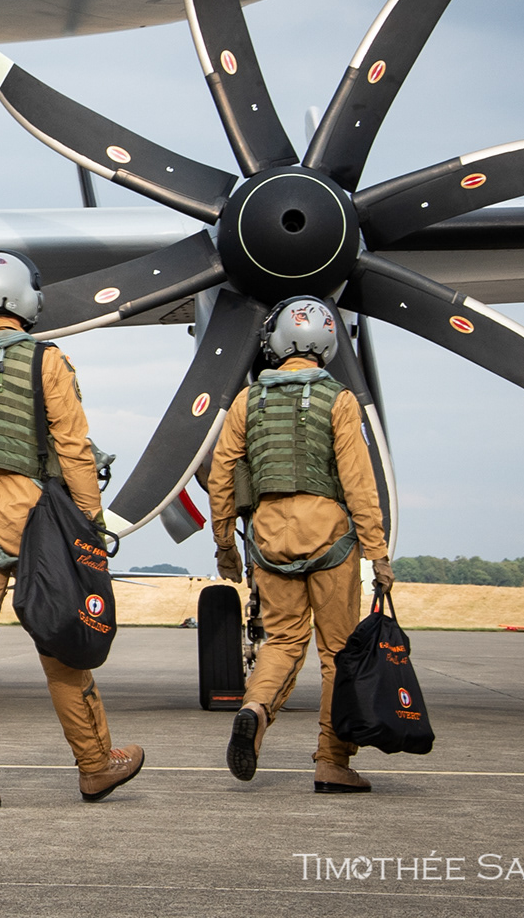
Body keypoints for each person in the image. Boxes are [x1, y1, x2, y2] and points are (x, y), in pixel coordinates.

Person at [0, 251, 144, 808]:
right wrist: (91, 525)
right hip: (35, 516)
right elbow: (73, 450)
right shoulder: (47, 361)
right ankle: (95, 764)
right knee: (60, 637)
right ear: (27, 300)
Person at [206, 296, 393, 794]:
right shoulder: (340, 400)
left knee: (283, 642)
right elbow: (359, 483)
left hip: (270, 539)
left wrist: (225, 544)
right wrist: (378, 552)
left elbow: (222, 476)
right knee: (337, 654)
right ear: (326, 344)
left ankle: (255, 708)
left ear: (276, 340)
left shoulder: (247, 402)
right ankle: (332, 761)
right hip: (330, 538)